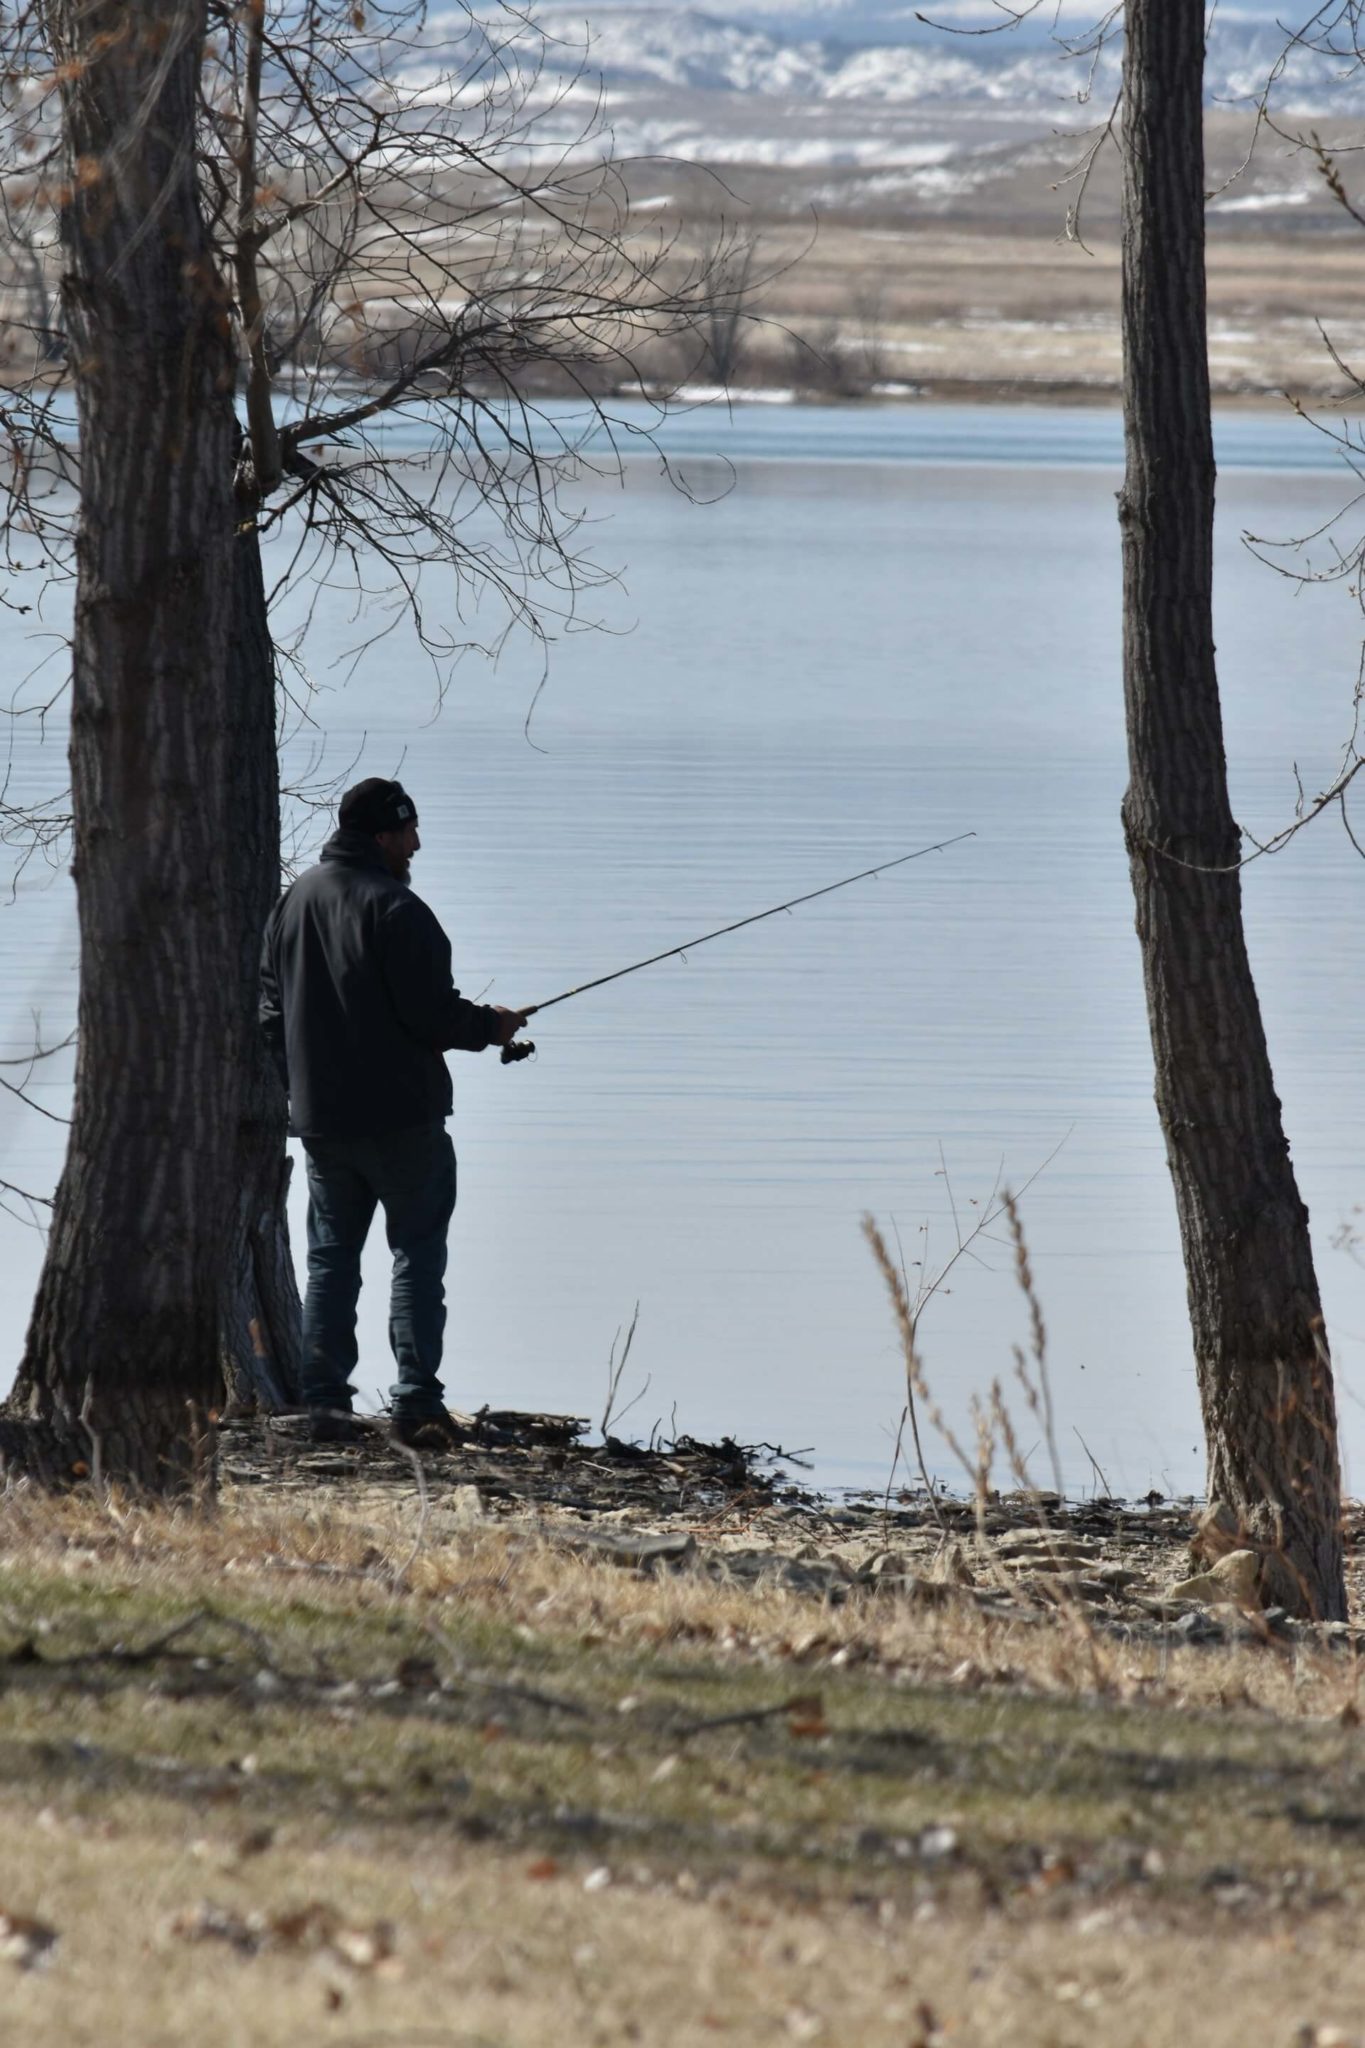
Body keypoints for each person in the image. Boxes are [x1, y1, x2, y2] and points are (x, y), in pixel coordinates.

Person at [259, 778, 526, 1446]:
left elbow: (270, 1013)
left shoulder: (293, 903)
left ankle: (323, 1403)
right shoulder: (398, 909)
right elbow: (430, 1015)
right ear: (383, 836)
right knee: (415, 1257)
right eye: (409, 831)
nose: (417, 843)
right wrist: (489, 1027)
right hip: (402, 1121)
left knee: (330, 1263)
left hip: (321, 1121)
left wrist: (300, 1086)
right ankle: (415, 1404)